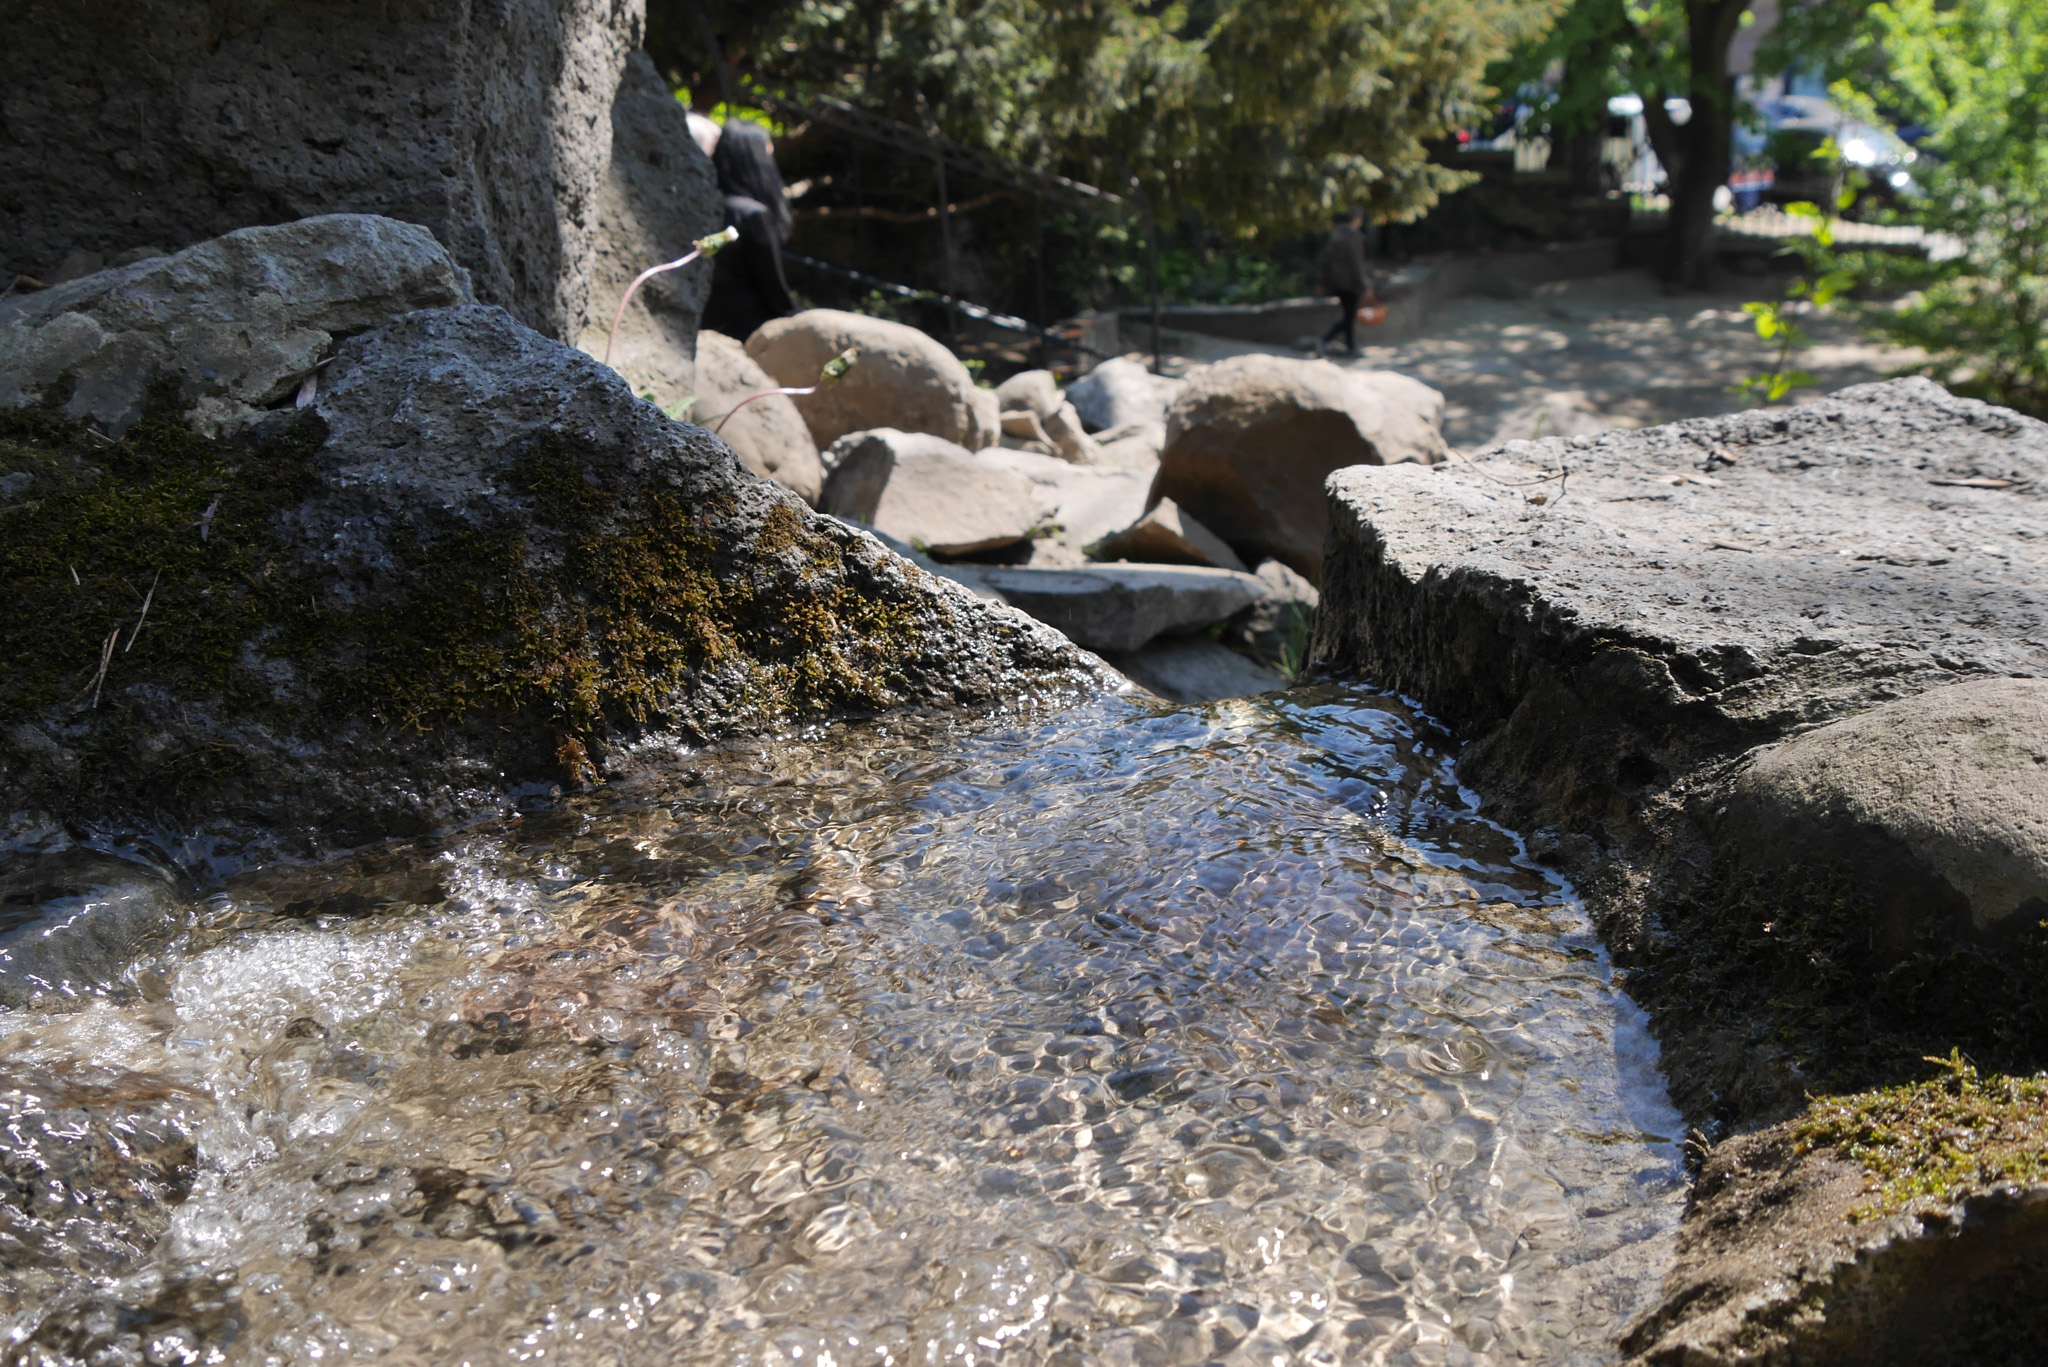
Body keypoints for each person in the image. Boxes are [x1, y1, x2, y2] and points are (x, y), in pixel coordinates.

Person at [702, 121, 799, 341]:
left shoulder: (705, 201)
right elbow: (773, 291)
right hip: (746, 332)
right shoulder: (754, 215)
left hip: (704, 321)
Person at [1315, 208, 1374, 357]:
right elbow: (1356, 264)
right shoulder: (1354, 237)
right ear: (1358, 219)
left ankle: (1350, 348)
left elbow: (1325, 261)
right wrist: (1365, 285)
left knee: (1349, 315)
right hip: (1351, 284)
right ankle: (1325, 340)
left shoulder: (1336, 237)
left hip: (1337, 284)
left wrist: (1322, 281)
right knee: (1350, 317)